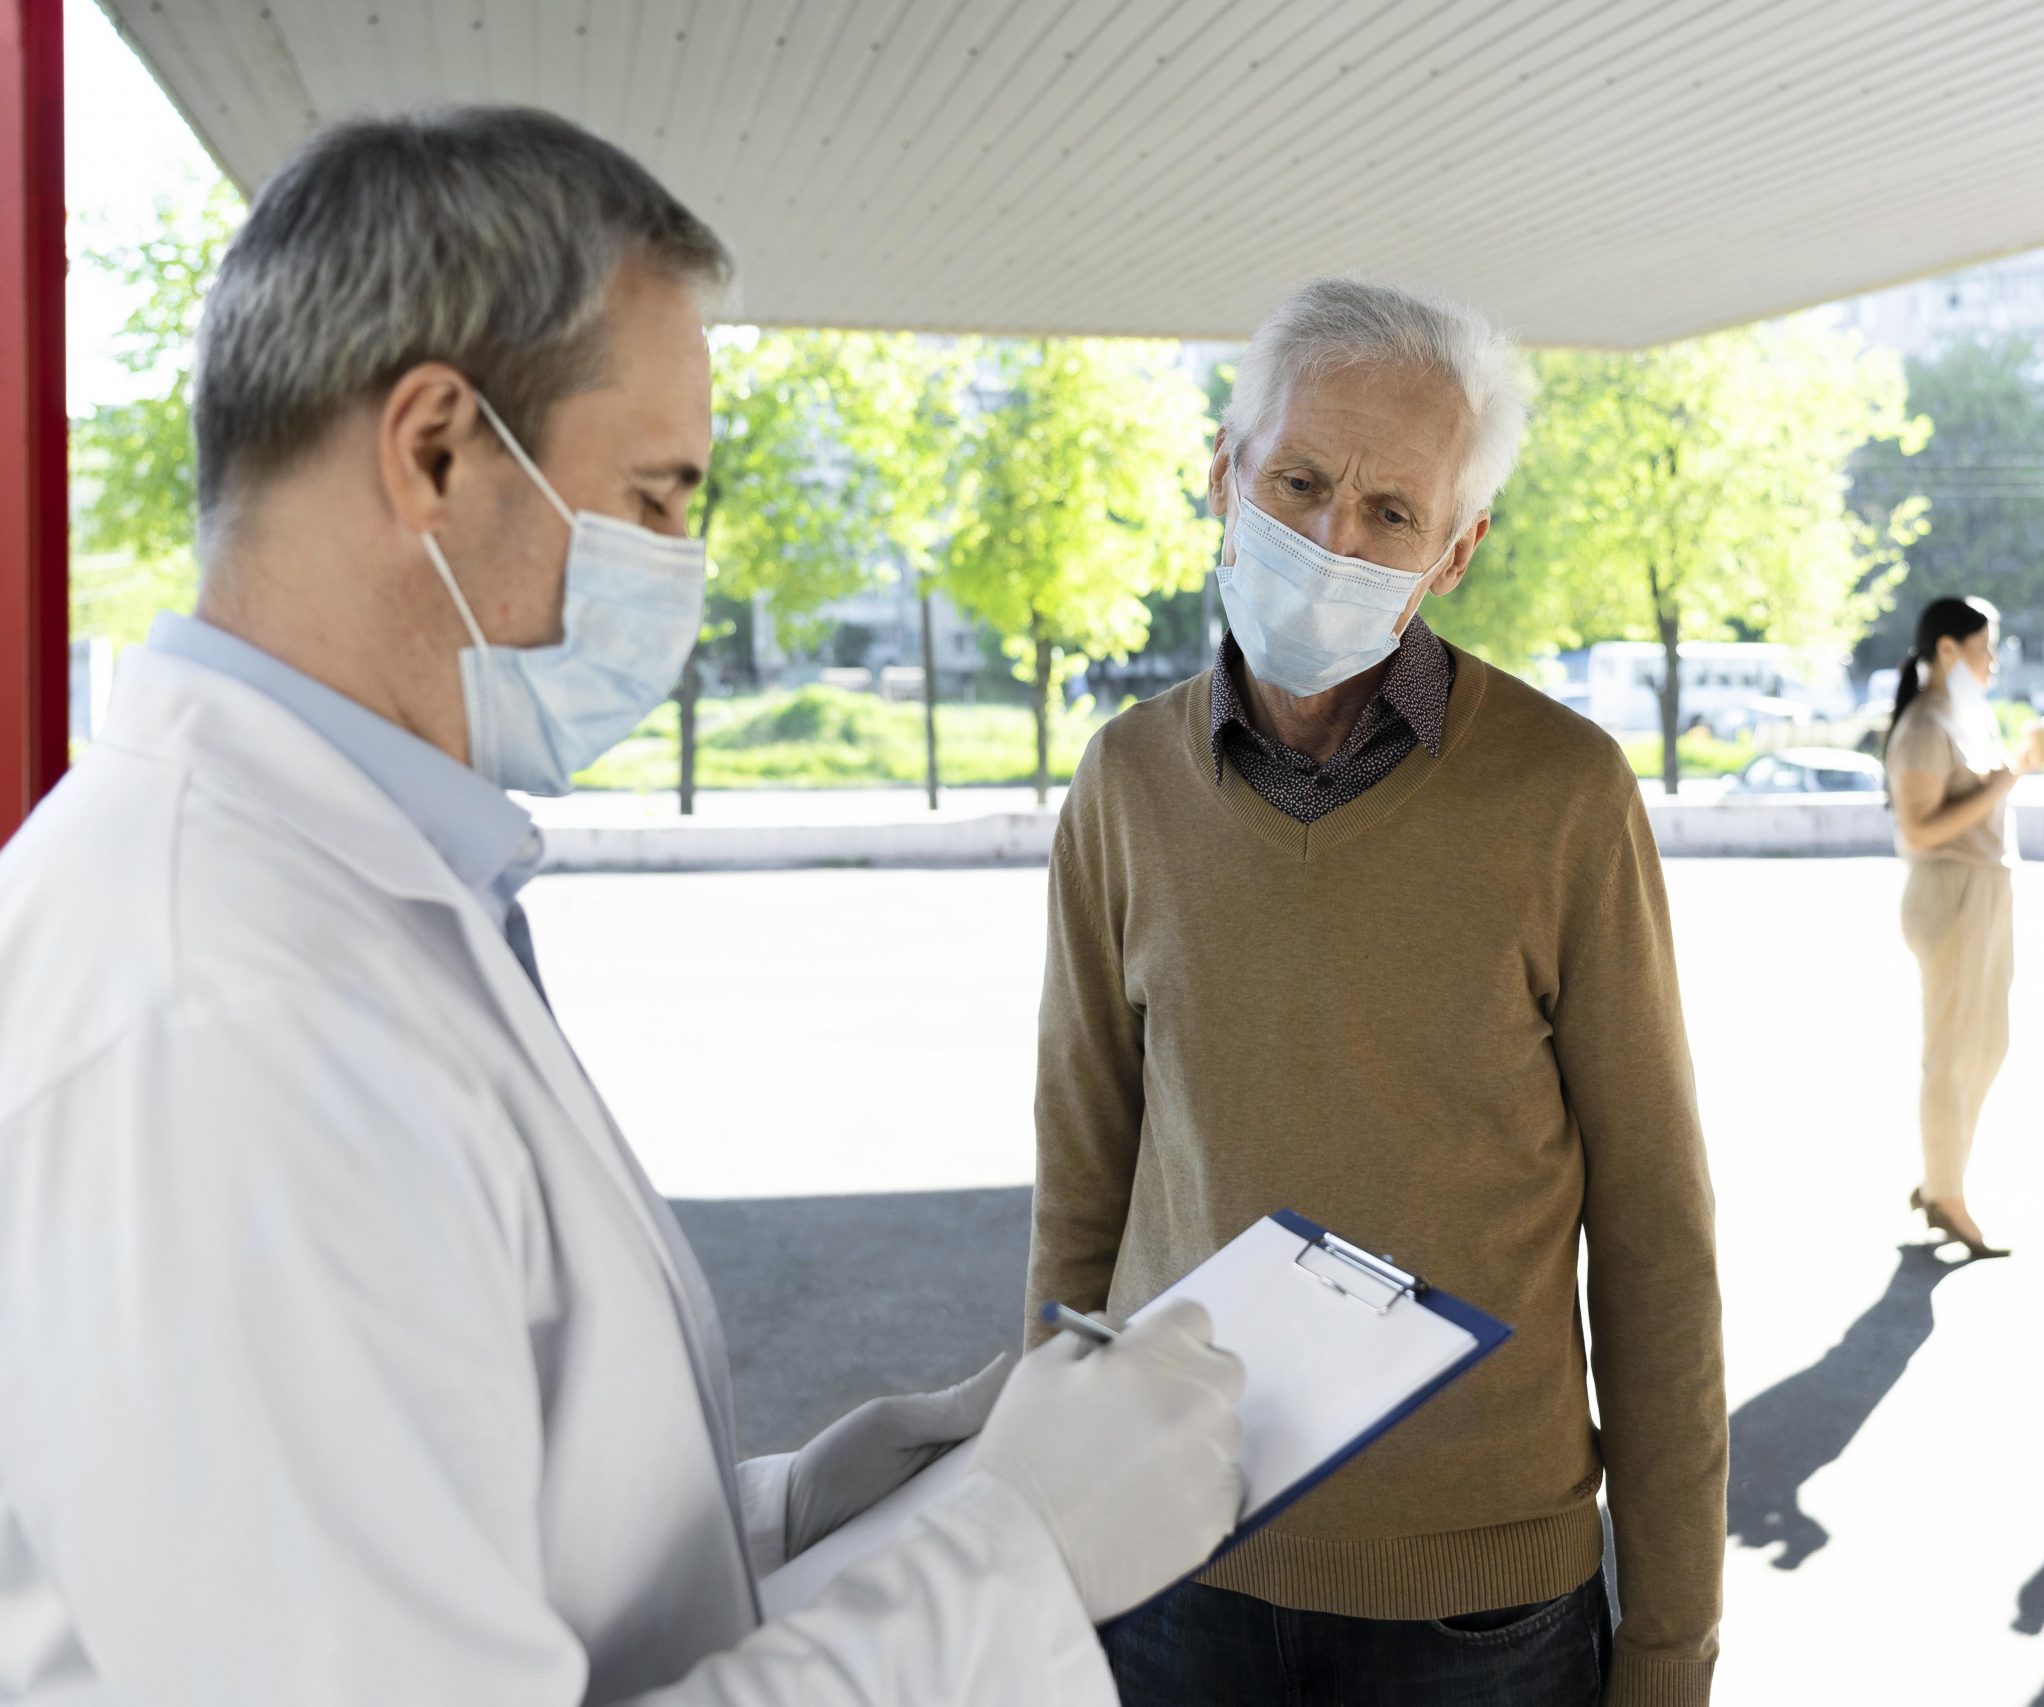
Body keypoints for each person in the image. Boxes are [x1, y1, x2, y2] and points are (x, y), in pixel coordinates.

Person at [0, 107, 1246, 1703]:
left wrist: (794, 1509)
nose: (683, 564)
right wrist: (1018, 1553)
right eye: (657, 498)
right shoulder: (226, 1021)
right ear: (435, 447)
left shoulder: (343, 900)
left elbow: (463, 1530)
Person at [1026, 277, 1726, 1707]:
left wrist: (1668, 1647)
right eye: (1298, 480)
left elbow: (1654, 1236)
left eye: (1391, 512)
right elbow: (1080, 1195)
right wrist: (1036, 1527)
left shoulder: (1565, 793)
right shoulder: (1125, 782)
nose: (1332, 536)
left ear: (1454, 551)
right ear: (1223, 471)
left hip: (1481, 1612)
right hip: (1168, 1571)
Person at [1881, 596, 2044, 1259]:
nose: (1993, 660)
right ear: (1947, 650)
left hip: (1981, 891)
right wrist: (2012, 773)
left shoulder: (1956, 715)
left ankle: (1940, 1178)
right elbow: (1920, 827)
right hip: (1950, 893)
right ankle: (1946, 1193)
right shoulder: (1924, 724)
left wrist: (2014, 768)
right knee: (1952, 1053)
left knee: (1985, 1046)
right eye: (1985, 646)